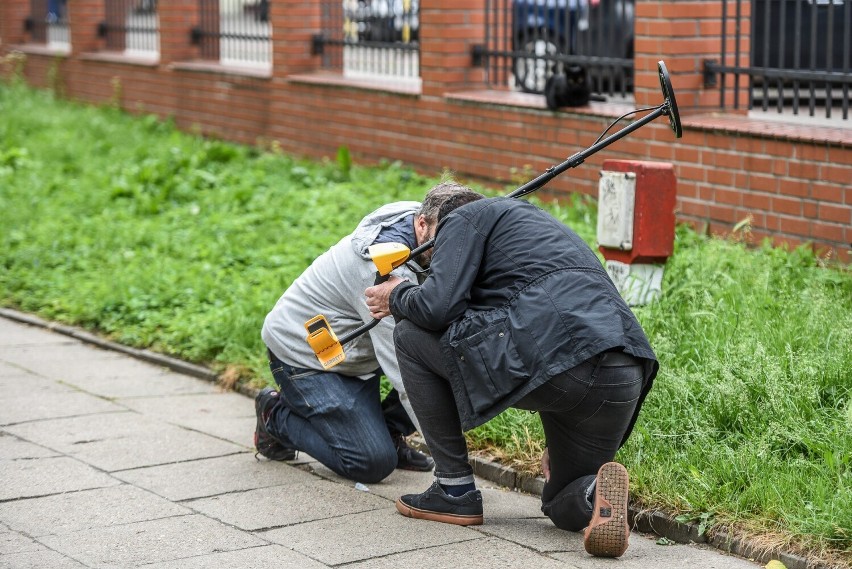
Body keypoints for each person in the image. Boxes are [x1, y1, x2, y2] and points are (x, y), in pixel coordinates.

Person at [364, 189, 658, 557]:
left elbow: (437, 308)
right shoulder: (535, 225)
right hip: (621, 372)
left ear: (427, 225)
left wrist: (397, 296)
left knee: (408, 334)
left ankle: (453, 489)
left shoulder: (460, 218)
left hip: (562, 361)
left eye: (428, 253)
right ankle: (593, 494)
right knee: (558, 504)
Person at [254, 182, 471, 484]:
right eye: (446, 240)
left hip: (355, 352)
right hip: (308, 357)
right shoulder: (379, 273)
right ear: (421, 224)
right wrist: (453, 467)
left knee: (451, 352)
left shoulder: (431, 222)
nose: (457, 252)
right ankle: (275, 416)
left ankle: (389, 430)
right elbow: (406, 370)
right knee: (372, 462)